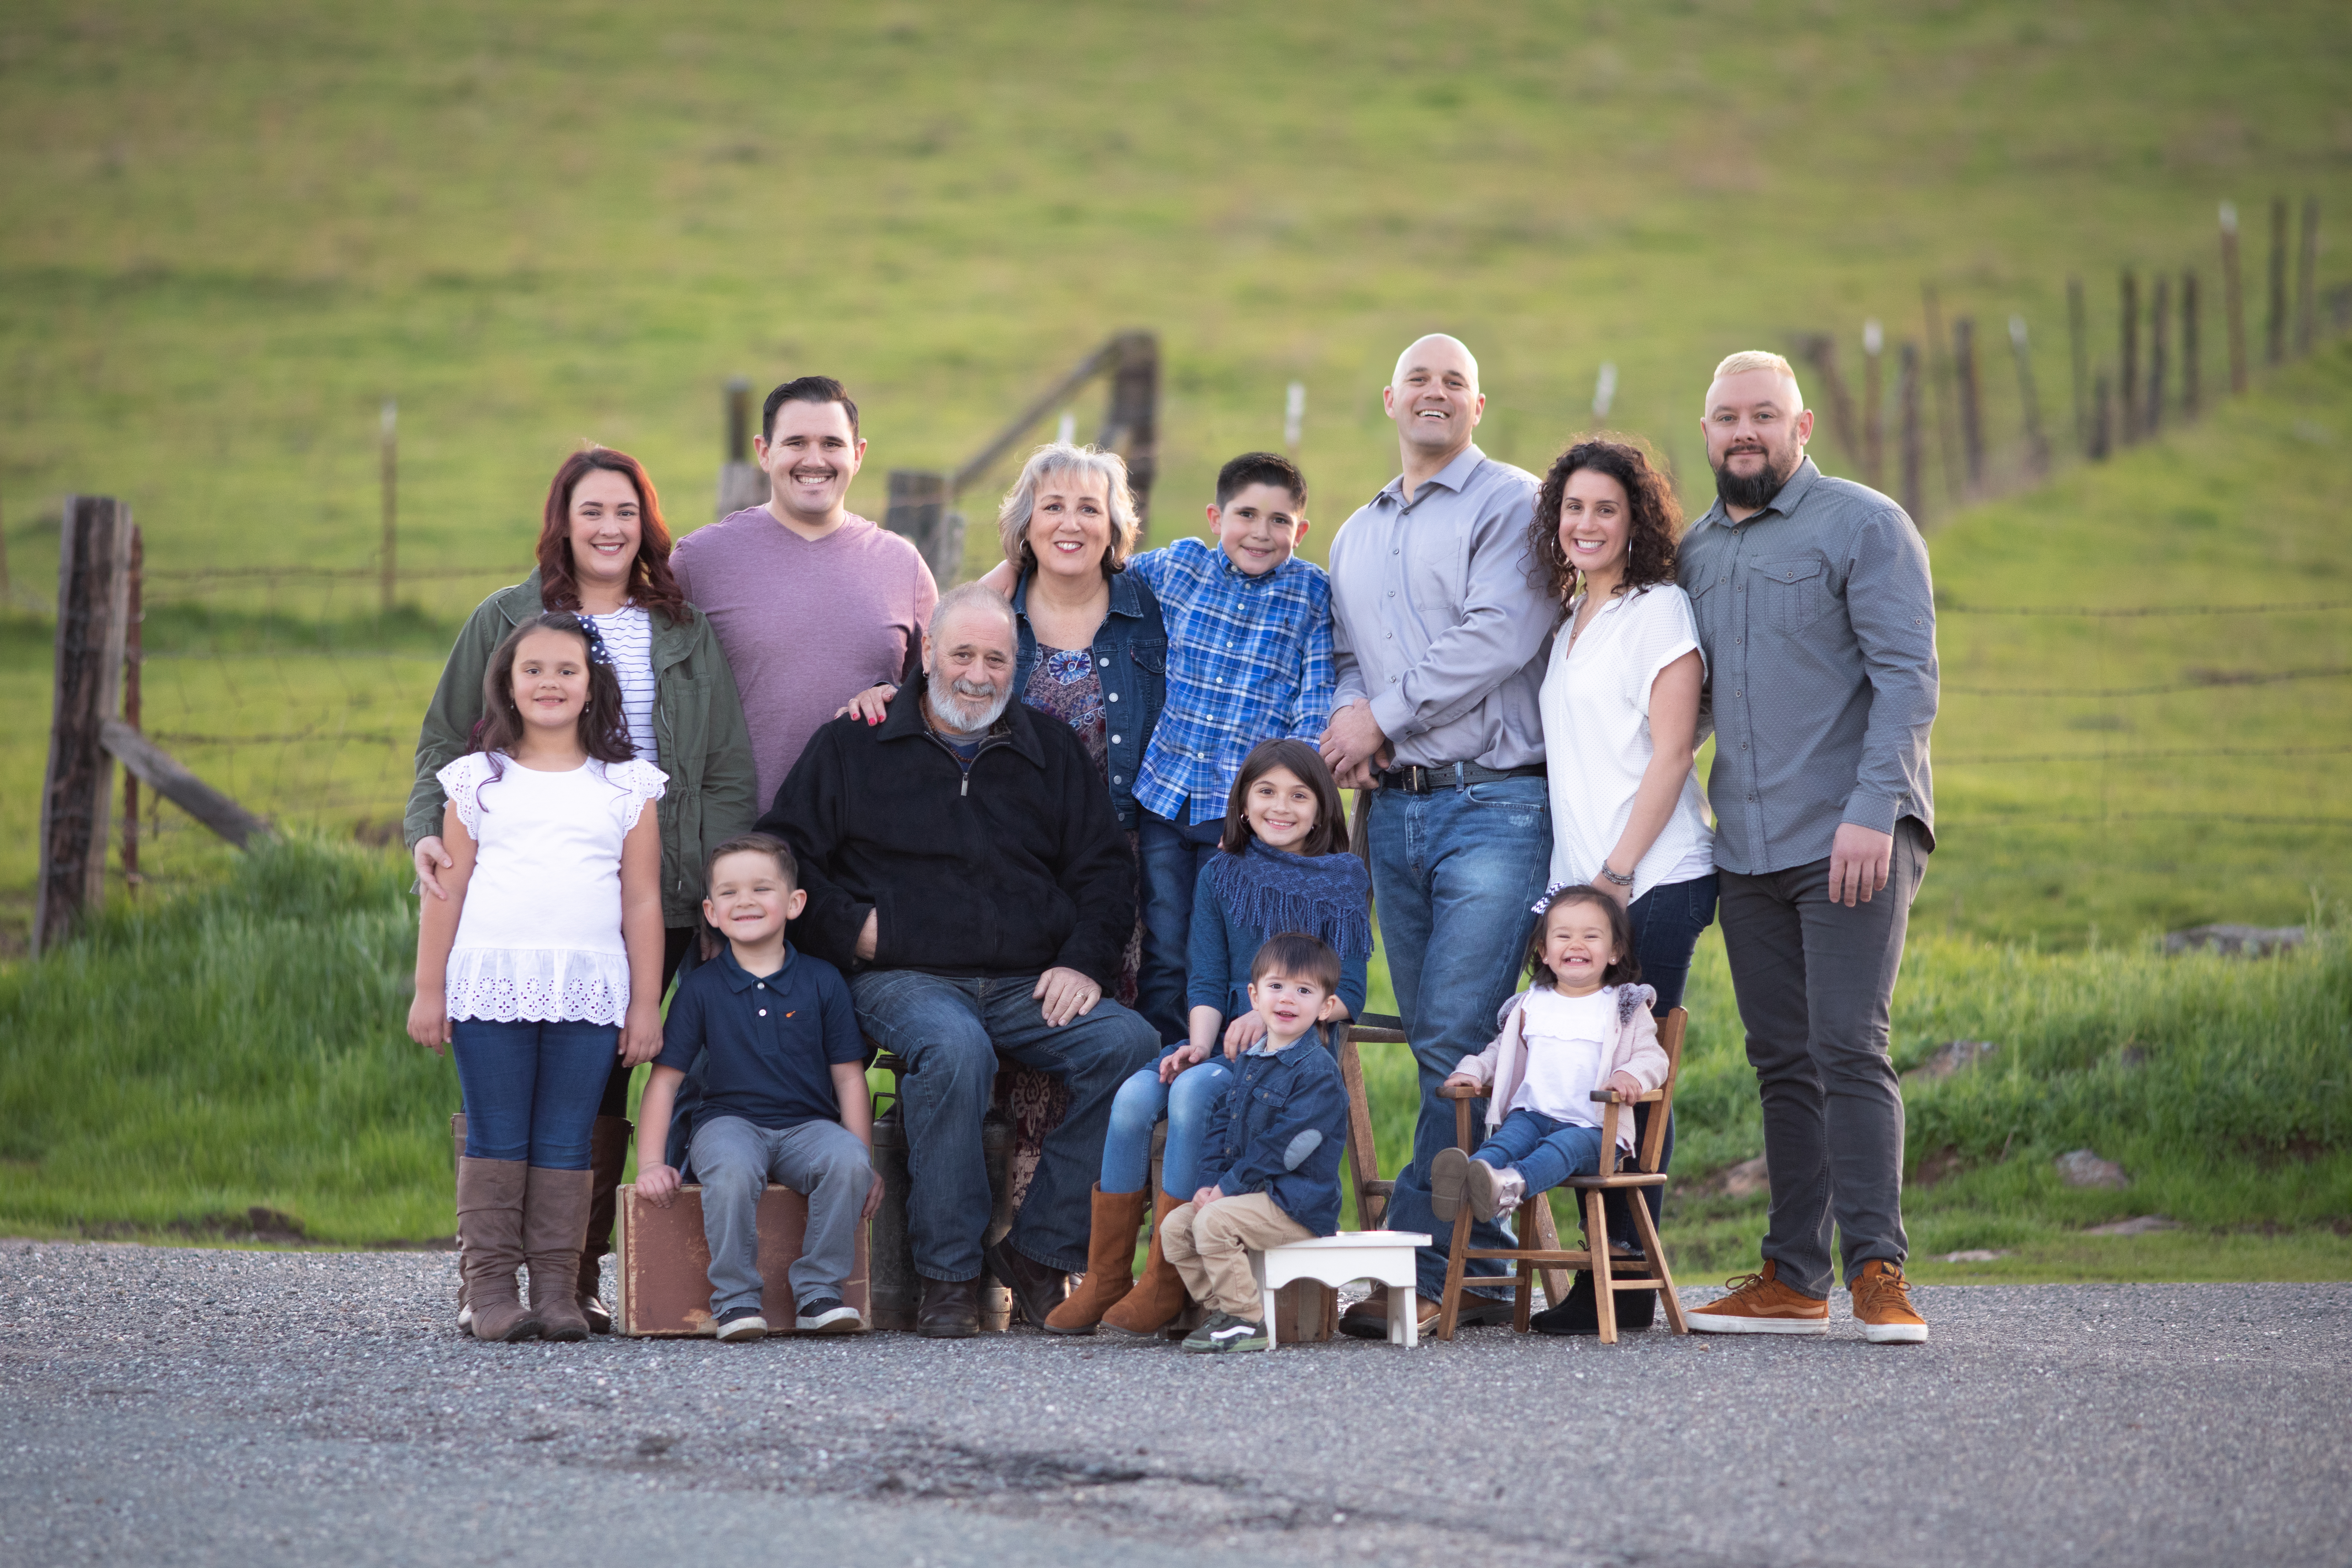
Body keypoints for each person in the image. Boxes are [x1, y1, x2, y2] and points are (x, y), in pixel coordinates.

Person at [405, 447, 754, 1333]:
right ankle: (483, 1282)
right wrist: (425, 835)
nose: (608, 528)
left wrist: (713, 887)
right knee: (513, 1088)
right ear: (561, 520)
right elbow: (444, 741)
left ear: (648, 524)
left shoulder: (680, 628)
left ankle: (574, 1279)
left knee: (601, 1082)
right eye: (591, 511)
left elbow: (721, 771)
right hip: (524, 896)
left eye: (626, 513)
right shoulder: (509, 619)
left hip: (652, 885)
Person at [757, 583, 1161, 1338]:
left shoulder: (1050, 749)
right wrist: (853, 930)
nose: (977, 673)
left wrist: (1083, 960)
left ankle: (1040, 1251)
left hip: (1024, 980)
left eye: (997, 658)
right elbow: (786, 854)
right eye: (963, 654)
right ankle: (949, 1273)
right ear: (929, 655)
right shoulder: (855, 742)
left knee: (1129, 1043)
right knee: (953, 1046)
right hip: (900, 977)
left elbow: (1105, 873)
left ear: (1017, 665)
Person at [1673, 351, 1937, 1346]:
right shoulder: (1695, 552)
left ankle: (1878, 1270)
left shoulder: (1863, 524)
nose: (1743, 432)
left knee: (1845, 1044)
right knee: (1779, 1058)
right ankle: (1791, 1276)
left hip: (1851, 837)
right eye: (1725, 417)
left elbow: (1905, 678)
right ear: (1705, 432)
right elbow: (1682, 707)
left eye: (1762, 415)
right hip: (1742, 846)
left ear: (1801, 425)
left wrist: (1872, 809)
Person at [1319, 333, 1555, 1339]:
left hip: (1494, 803)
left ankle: (1410, 1271)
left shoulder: (1514, 503)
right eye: (1417, 377)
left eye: (1453, 380)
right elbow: (1344, 659)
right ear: (1387, 399)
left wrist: (1386, 714)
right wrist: (1352, 731)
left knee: (1456, 1035)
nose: (1434, 392)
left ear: (1477, 404)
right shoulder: (1352, 533)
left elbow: (1501, 632)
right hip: (1396, 810)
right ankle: (1488, 1269)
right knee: (1435, 1046)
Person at [979, 450, 1335, 1039]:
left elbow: (1314, 700)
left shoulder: (1311, 593)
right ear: (1214, 518)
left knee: (1240, 946)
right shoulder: (1179, 568)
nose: (1260, 532)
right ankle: (1165, 1068)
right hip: (1166, 802)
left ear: (1300, 531)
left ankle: (1232, 1075)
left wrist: (1275, 803)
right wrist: (1006, 575)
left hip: (1244, 811)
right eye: (1245, 515)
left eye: (1279, 522)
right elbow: (1090, 561)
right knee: (1166, 948)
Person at [1045, 738, 1370, 1337]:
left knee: (1193, 1095)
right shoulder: (1223, 872)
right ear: (1243, 804)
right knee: (1135, 1097)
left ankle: (1167, 1280)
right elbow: (1209, 975)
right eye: (1266, 791)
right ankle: (1107, 1274)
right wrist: (1198, 1042)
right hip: (1220, 1040)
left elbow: (1349, 989)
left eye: (1299, 795)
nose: (1282, 806)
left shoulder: (1342, 879)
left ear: (1323, 809)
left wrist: (1272, 1019)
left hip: (1286, 1057)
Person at [405, 614, 668, 1343]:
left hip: (588, 988)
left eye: (566, 670)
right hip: (492, 982)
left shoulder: (626, 785)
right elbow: (447, 892)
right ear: (508, 685)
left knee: (567, 1136)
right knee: (496, 1131)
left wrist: (645, 1002)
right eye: (533, 670)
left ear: (593, 687)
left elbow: (642, 898)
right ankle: (490, 1288)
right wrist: (430, 990)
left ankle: (557, 1284)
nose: (549, 682)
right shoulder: (478, 780)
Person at [1523, 437, 1717, 1336]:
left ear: (1635, 520)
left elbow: (1674, 752)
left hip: (1652, 879)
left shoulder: (1658, 610)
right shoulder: (1568, 621)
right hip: (1581, 894)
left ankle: (1627, 1281)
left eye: (1605, 508)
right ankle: (1596, 1274)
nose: (1586, 524)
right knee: (1570, 1077)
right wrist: (1581, 889)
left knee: (1630, 1077)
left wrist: (1613, 876)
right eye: (1573, 508)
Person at [633, 834, 878, 1341]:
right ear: (711, 912)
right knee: (733, 1167)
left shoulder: (822, 980)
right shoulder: (700, 987)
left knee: (846, 1160)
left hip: (808, 1126)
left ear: (794, 903)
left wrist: (865, 1161)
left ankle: (818, 1292)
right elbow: (665, 1081)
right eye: (728, 893)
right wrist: (652, 1164)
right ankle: (737, 1300)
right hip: (727, 1124)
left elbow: (849, 1077)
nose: (744, 901)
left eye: (761, 888)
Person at [672, 375, 939, 807]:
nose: (814, 460)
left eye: (832, 444)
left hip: (866, 843)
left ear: (858, 454)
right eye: (796, 442)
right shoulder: (698, 562)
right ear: (764, 451)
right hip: (738, 847)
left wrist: (894, 695)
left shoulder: (904, 568)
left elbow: (936, 701)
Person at [1158, 933, 1353, 1355]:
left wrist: (1228, 1188)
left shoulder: (1316, 1072)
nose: (1287, 998)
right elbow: (1221, 1130)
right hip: (1249, 1191)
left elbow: (1287, 1147)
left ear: (1324, 1007)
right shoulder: (1250, 1059)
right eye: (1276, 986)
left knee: (1213, 1222)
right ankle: (1223, 1311)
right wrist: (1210, 1183)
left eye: (1303, 990)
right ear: (1254, 995)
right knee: (1176, 1226)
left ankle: (1248, 1321)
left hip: (1296, 1204)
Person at [1432, 885, 1667, 1226]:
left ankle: (1509, 1186)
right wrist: (1472, 1070)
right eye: (1563, 936)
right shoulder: (1530, 1003)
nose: (1576, 944)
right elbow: (1501, 1051)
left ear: (1614, 951)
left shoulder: (1623, 1004)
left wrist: (1630, 1075)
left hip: (1595, 1130)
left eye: (1591, 936)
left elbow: (1653, 1057)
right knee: (1503, 1144)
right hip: (1532, 1114)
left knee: (1562, 1148)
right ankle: (1467, 1180)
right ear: (1544, 950)